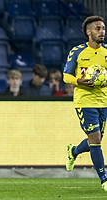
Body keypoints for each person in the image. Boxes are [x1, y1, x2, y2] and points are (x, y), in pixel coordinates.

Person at [63, 15, 107, 191]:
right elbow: (66, 75)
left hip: (103, 101)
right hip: (84, 101)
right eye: (98, 28)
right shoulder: (77, 52)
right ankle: (104, 179)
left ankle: (73, 151)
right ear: (88, 32)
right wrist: (78, 82)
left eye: (103, 28)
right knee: (95, 139)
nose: (102, 31)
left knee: (95, 140)